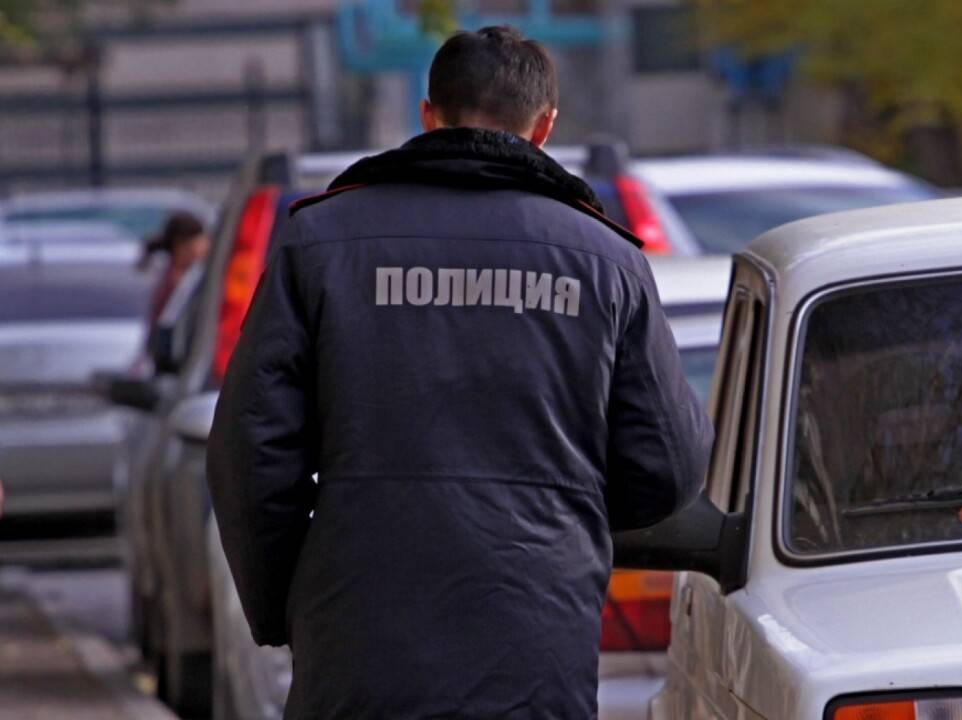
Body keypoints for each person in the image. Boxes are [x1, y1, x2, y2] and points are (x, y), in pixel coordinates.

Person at [207, 25, 713, 720]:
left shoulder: (320, 242)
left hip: (358, 640)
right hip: (535, 641)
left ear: (428, 115)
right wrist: (562, 514)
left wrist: (284, 607)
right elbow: (668, 467)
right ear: (544, 127)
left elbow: (249, 452)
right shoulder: (606, 261)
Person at [140, 211, 209, 331]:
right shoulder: (168, 278)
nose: (206, 245)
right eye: (200, 241)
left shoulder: (189, 273)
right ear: (181, 244)